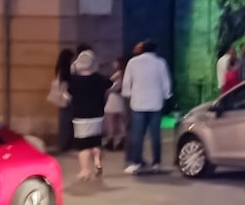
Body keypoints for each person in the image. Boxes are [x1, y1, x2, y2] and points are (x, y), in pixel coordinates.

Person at [122, 40, 172, 175]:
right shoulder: (160, 62)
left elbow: (127, 81)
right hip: (155, 103)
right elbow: (165, 81)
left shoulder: (133, 62)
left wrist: (128, 94)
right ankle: (156, 162)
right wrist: (166, 95)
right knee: (155, 135)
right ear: (155, 50)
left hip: (138, 103)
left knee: (137, 135)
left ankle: (136, 162)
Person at [67, 50, 112, 180]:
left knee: (83, 145)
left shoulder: (74, 81)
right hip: (97, 115)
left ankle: (84, 170)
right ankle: (97, 162)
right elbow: (110, 84)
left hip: (81, 117)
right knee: (95, 141)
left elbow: (68, 92)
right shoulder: (99, 79)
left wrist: (73, 67)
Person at [53, 49, 75, 153]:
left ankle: (64, 143)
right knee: (67, 122)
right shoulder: (66, 69)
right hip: (67, 99)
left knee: (64, 121)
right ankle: (66, 144)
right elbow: (66, 84)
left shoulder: (59, 68)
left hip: (62, 99)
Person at [103, 58, 127, 151]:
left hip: (113, 99)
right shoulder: (126, 73)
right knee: (121, 122)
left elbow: (110, 83)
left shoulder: (118, 74)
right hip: (121, 100)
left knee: (110, 121)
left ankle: (110, 141)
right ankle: (122, 140)